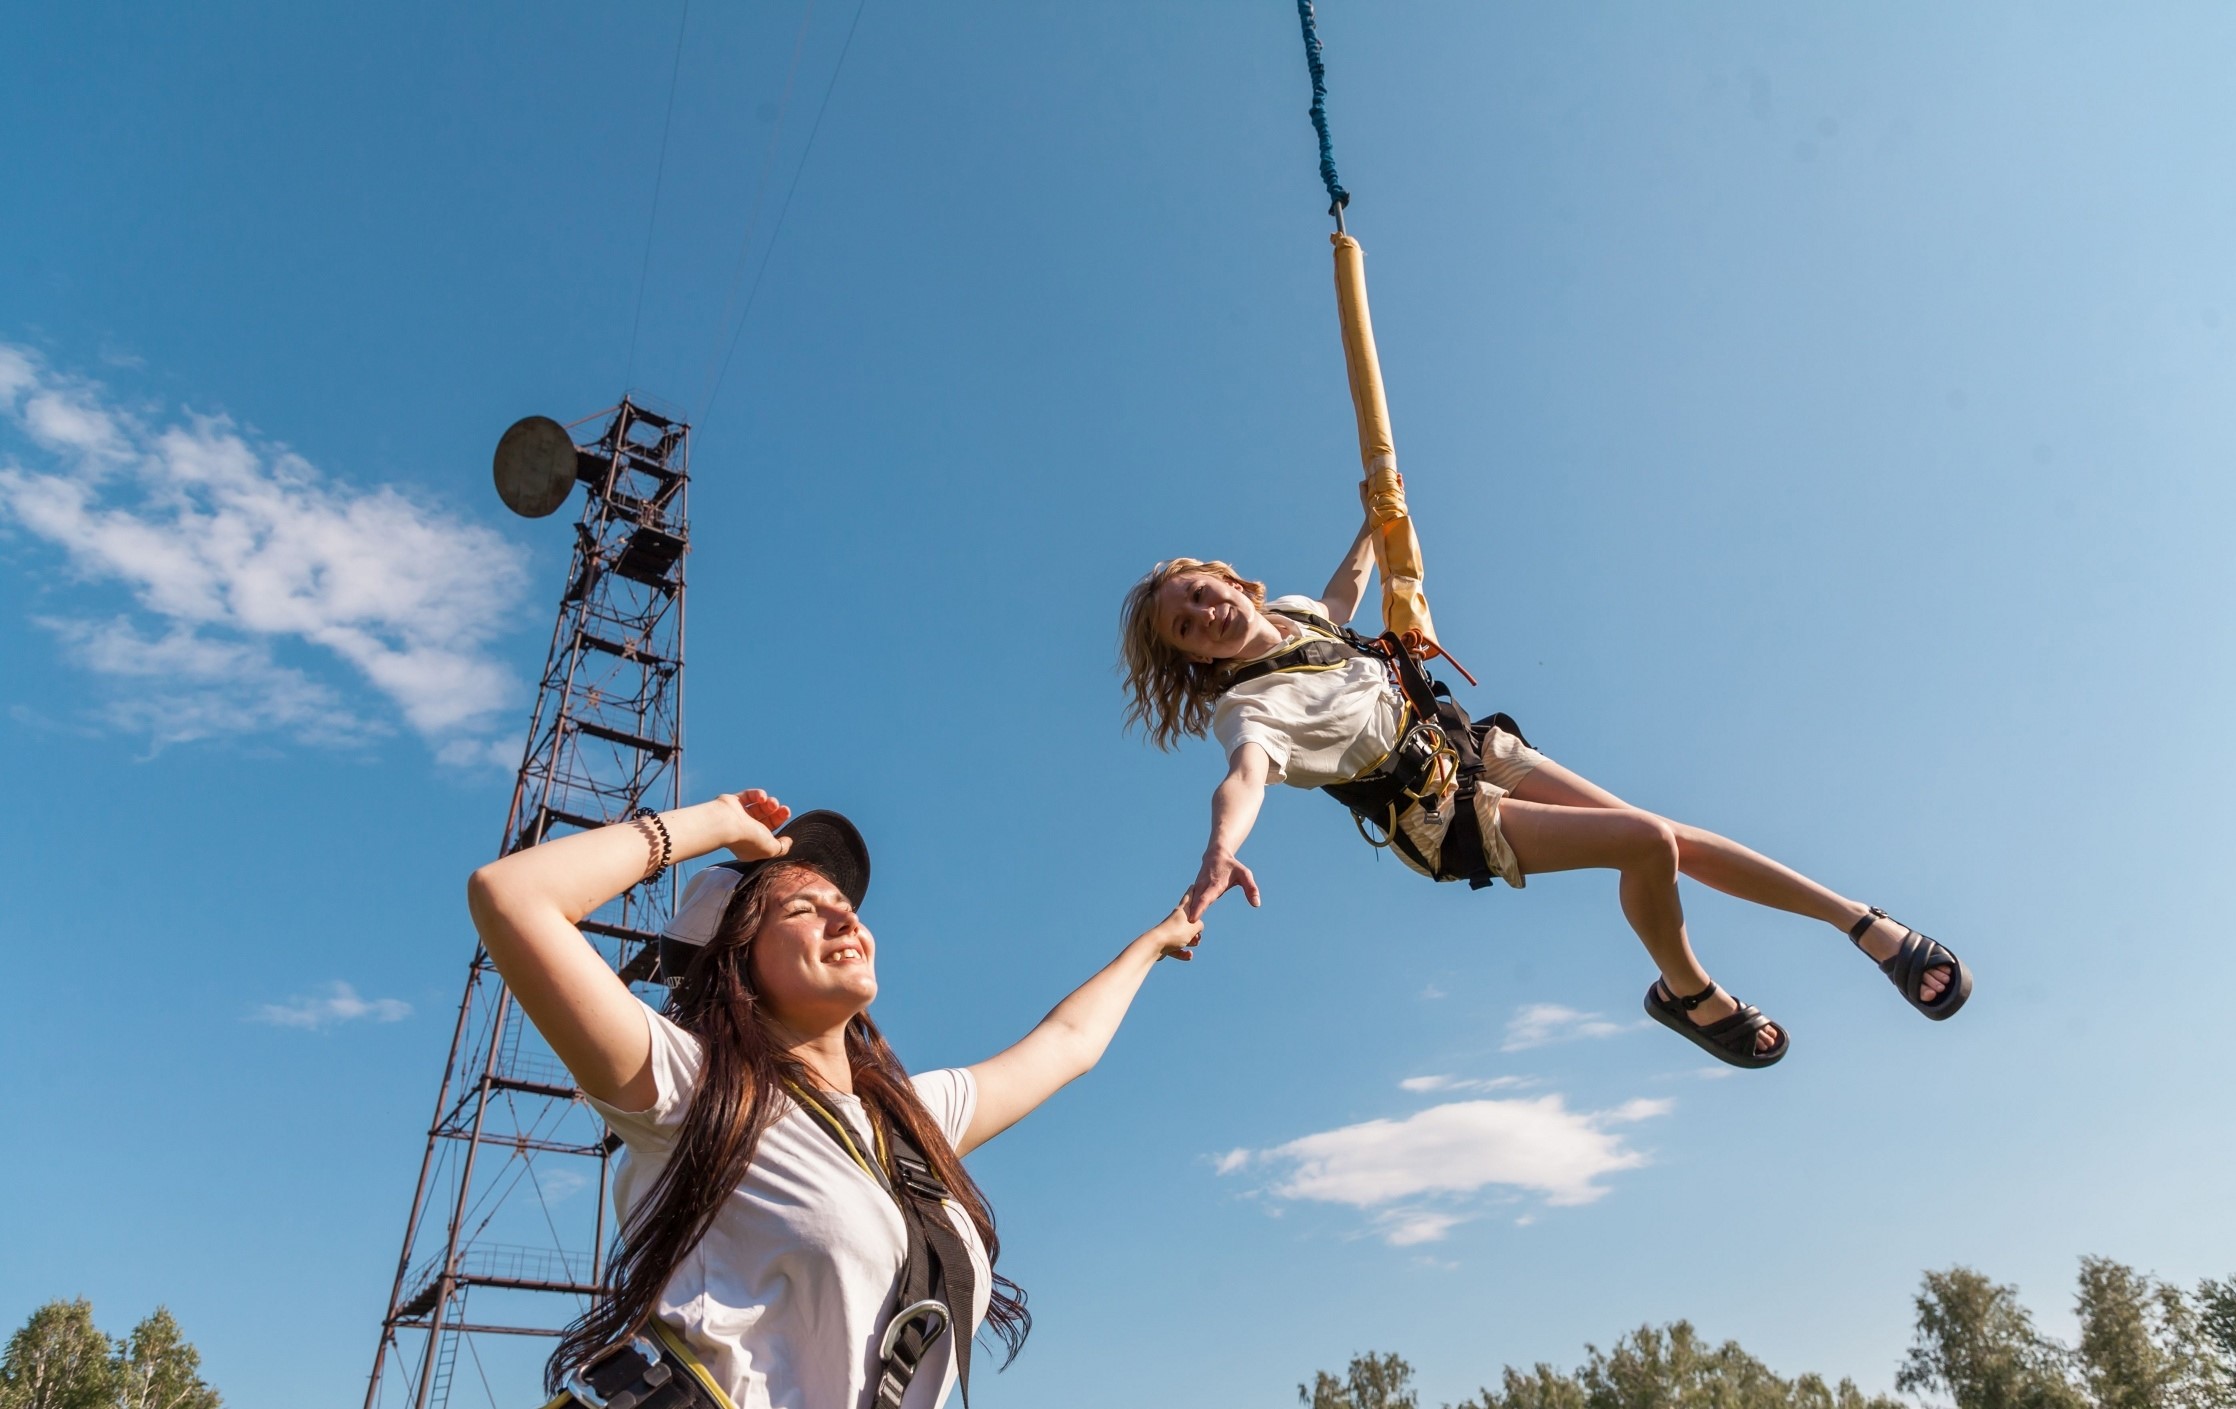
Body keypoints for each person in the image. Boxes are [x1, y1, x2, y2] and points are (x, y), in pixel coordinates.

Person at [1115, 500, 1970, 1070]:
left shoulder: (1298, 612)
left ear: (1228, 577)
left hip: (1471, 746)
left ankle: (1864, 925)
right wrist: (1221, 850)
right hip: (1440, 818)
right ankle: (1689, 992)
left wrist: (1375, 521)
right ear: (1195, 658)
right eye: (1187, 630)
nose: (1205, 618)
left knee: (1672, 833)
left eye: (1200, 595)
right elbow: (1246, 777)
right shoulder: (1247, 710)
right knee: (1647, 844)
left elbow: (1342, 598)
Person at [467, 787, 1200, 1409]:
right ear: (736, 966)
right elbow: (512, 895)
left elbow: (1069, 1042)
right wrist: (718, 822)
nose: (844, 916)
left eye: (843, 902)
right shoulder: (690, 1090)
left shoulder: (908, 1120)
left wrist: (1157, 941)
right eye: (801, 909)